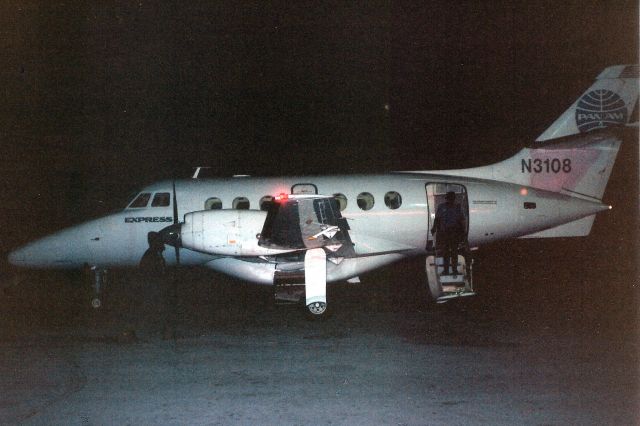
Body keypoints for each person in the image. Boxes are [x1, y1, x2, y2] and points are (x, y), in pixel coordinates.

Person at [431, 191, 465, 275]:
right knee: (446, 252)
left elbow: (462, 220)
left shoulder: (458, 207)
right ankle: (446, 270)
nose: (450, 200)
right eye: (449, 198)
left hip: (454, 232)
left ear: (453, 199)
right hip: (445, 232)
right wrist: (434, 228)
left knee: (454, 252)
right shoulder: (441, 207)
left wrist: (463, 233)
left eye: (451, 198)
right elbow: (437, 219)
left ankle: (454, 270)